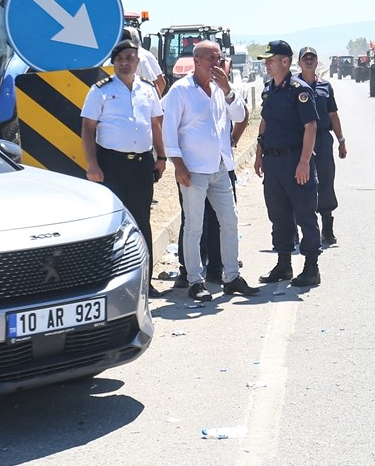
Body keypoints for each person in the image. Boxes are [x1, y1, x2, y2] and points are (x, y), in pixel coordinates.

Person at [162, 40, 257, 301]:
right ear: (197, 61)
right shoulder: (180, 91)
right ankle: (195, 280)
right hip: (193, 170)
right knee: (194, 227)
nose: (217, 63)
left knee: (230, 221)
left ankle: (231, 276)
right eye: (212, 58)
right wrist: (178, 165)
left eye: (219, 58)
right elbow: (169, 131)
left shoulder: (221, 88)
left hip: (220, 167)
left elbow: (240, 116)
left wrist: (227, 90)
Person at [81, 37, 166, 297]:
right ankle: (112, 283)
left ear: (138, 61)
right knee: (113, 223)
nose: (125, 63)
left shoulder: (148, 89)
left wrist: (162, 157)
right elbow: (88, 128)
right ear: (113, 63)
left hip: (141, 164)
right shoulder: (100, 91)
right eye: (119, 59)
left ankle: (145, 282)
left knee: (142, 221)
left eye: (130, 58)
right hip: (111, 164)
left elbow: (156, 124)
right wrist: (92, 164)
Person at [254, 40, 322, 287]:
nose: (267, 64)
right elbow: (264, 122)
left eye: (270, 60)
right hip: (273, 162)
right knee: (279, 214)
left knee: (304, 213)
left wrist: (304, 162)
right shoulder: (269, 89)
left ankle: (311, 267)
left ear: (285, 61)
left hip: (295, 160)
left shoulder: (299, 90)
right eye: (266, 61)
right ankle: (283, 265)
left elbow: (310, 126)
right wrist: (259, 153)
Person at [296, 46, 347, 246]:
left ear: (317, 62)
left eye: (312, 58)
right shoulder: (293, 86)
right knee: (299, 183)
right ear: (299, 62)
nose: (309, 61)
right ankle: (297, 230)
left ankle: (327, 228)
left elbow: (333, 115)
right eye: (305, 58)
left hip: (323, 140)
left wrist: (341, 140)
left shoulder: (325, 86)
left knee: (325, 181)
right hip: (300, 141)